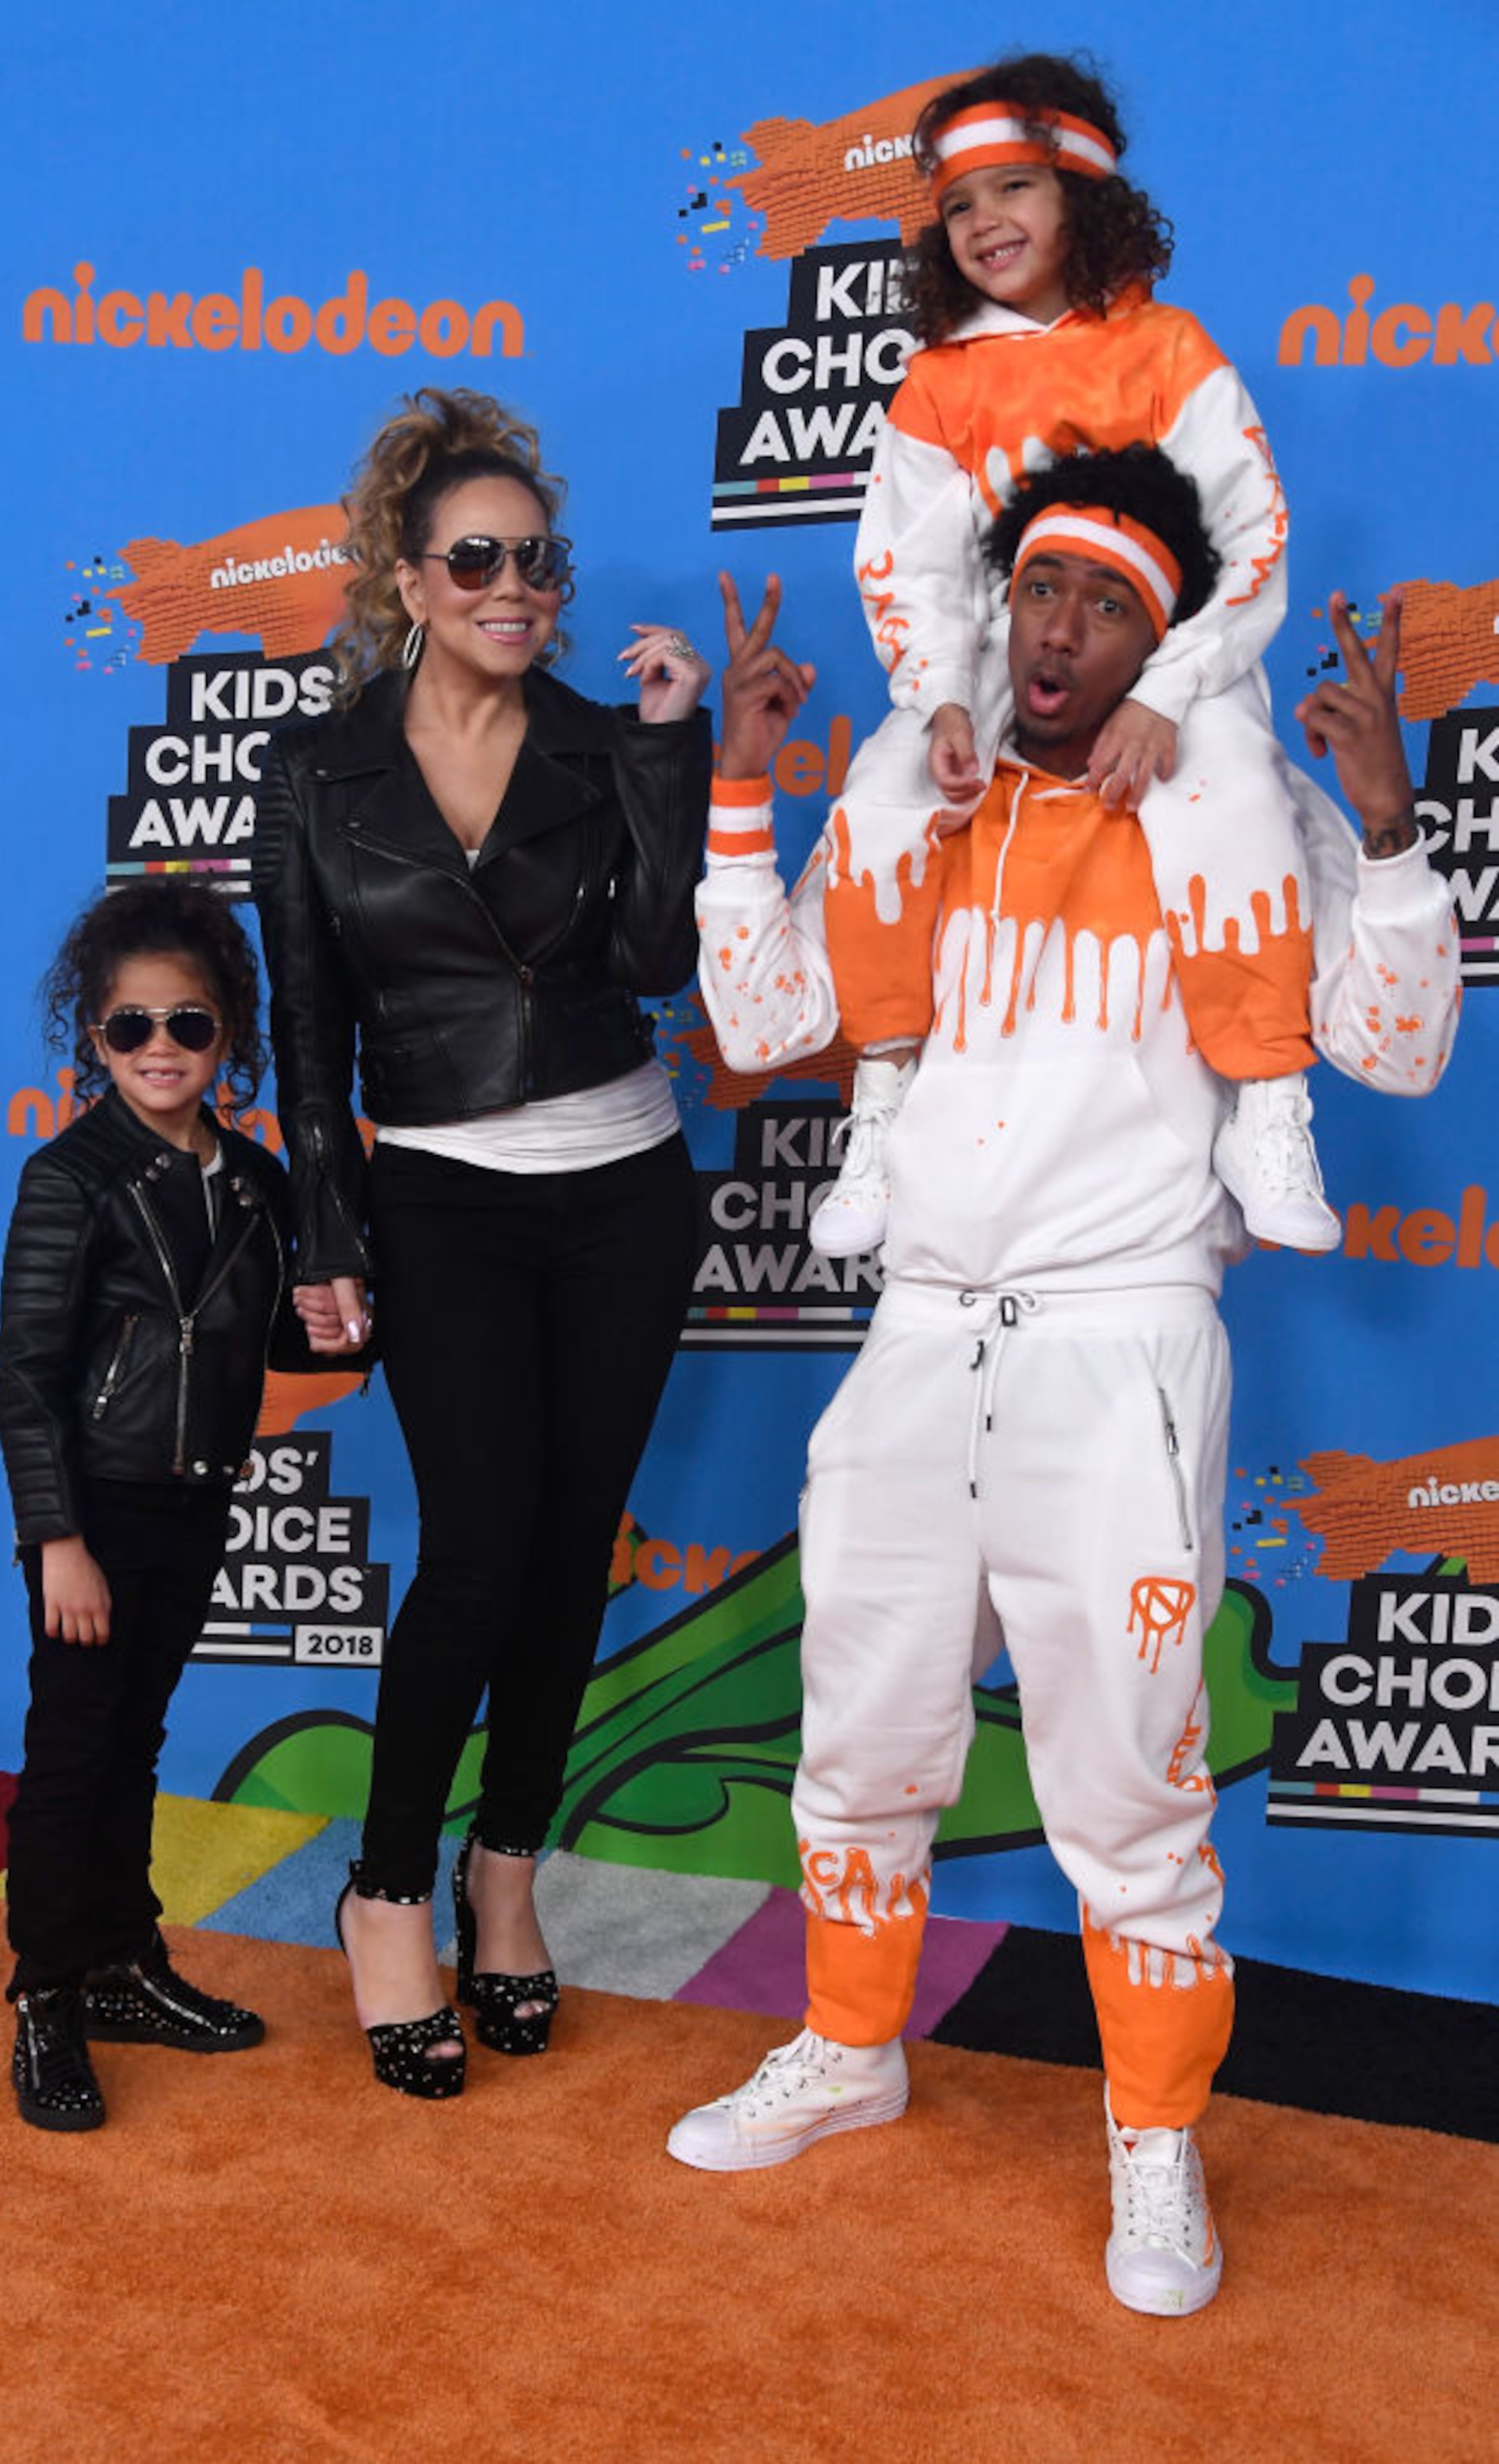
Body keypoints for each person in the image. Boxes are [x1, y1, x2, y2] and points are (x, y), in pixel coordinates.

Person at [667, 446, 1458, 2318]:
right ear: (998, 603)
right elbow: (765, 1021)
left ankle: (1156, 2137)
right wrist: (742, 793)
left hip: (1121, 1348)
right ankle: (850, 2046)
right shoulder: (921, 787)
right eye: (1041, 587)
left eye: (1110, 603)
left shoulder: (1234, 803)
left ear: (1164, 638)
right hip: (921, 1335)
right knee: (858, 1741)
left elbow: (1401, 1052)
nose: (1063, 629)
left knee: (1128, 1788)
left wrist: (1388, 829)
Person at [254, 387, 711, 2099]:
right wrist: (325, 1228)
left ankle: (505, 1874)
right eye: (477, 559)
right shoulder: (316, 772)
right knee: (477, 1550)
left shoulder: (603, 742)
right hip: (440, 1198)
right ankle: (388, 1893)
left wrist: (669, 750)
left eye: (538, 560)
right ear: (409, 577)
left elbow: (658, 962)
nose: (514, 586)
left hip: (625, 1191)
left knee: (571, 1547)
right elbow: (307, 1030)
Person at [812, 52, 1337, 1263]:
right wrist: (941, 699)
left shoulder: (1166, 347)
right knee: (883, 803)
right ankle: (881, 1102)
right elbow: (912, 567)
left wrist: (1169, 692)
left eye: (1014, 188)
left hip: (1172, 660)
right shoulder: (937, 382)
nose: (983, 222)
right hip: (1005, 668)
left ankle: (1268, 1104)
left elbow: (1252, 537)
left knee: (1234, 799)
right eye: (957, 203)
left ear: (1083, 197)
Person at [0, 881, 309, 2131]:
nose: (160, 1048)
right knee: (73, 1755)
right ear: (96, 1037)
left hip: (196, 1501)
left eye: (188, 1023)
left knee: (136, 1745)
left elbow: (277, 1338)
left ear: (229, 1031)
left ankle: (124, 1962)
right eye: (131, 1027)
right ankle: (46, 1995)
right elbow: (27, 1371)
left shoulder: (258, 1183)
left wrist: (353, 1317)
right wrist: (55, 1539)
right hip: (95, 1512)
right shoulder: (72, 1175)